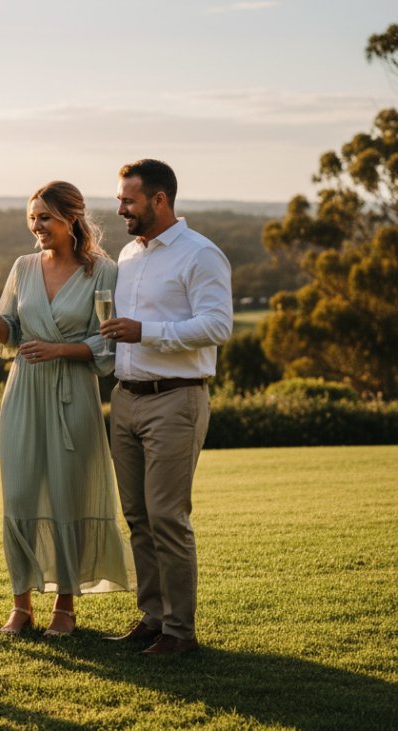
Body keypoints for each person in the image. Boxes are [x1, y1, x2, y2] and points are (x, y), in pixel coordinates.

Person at [0, 181, 130, 638]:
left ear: (71, 218)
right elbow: (10, 335)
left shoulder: (104, 272)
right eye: (32, 218)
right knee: (20, 496)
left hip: (73, 394)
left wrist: (62, 351)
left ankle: (65, 607)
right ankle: (21, 605)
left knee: (67, 496)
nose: (36, 226)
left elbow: (109, 339)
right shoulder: (22, 267)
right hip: (23, 393)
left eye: (45, 217)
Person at [99, 159, 233, 656]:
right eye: (119, 200)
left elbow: (217, 326)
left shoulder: (201, 255)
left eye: (128, 201)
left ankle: (180, 631)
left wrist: (146, 332)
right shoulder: (129, 256)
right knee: (137, 516)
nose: (120, 210)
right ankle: (153, 618)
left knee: (167, 516)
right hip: (126, 398)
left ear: (159, 200)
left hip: (176, 399)